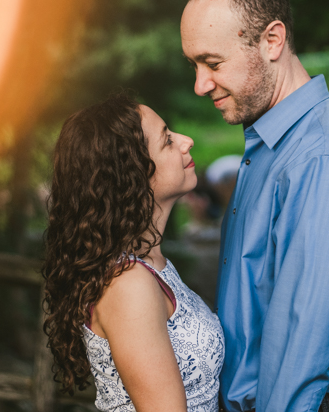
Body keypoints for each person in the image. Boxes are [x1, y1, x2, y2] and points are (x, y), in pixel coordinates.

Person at [180, 0, 329, 412]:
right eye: (194, 66)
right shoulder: (271, 144)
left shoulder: (321, 158)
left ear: (272, 40)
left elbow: (302, 339)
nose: (200, 85)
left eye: (212, 63)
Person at [42, 93, 225, 412]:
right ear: (133, 174)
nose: (187, 141)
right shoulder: (128, 285)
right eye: (167, 141)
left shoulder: (149, 264)